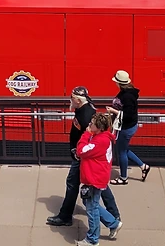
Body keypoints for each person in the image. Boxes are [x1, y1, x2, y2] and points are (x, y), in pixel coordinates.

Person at [48, 86, 120, 227]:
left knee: (74, 183)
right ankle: (114, 213)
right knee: (100, 186)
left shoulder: (86, 115)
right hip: (80, 155)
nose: (70, 100)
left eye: (72, 98)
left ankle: (65, 216)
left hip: (82, 156)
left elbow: (91, 138)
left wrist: (79, 152)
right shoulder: (81, 110)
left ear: (78, 100)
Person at [75, 112, 122, 246]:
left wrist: (86, 134)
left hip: (94, 178)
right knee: (90, 204)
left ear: (100, 128)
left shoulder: (100, 140)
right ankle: (113, 223)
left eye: (92, 123)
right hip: (96, 176)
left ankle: (92, 239)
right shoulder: (102, 137)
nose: (89, 125)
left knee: (92, 209)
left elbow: (81, 151)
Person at [104, 71, 150, 184]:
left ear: (119, 83)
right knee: (124, 150)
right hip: (127, 126)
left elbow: (128, 114)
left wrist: (113, 110)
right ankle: (143, 166)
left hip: (126, 128)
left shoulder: (127, 96)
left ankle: (123, 178)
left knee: (122, 152)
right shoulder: (127, 93)